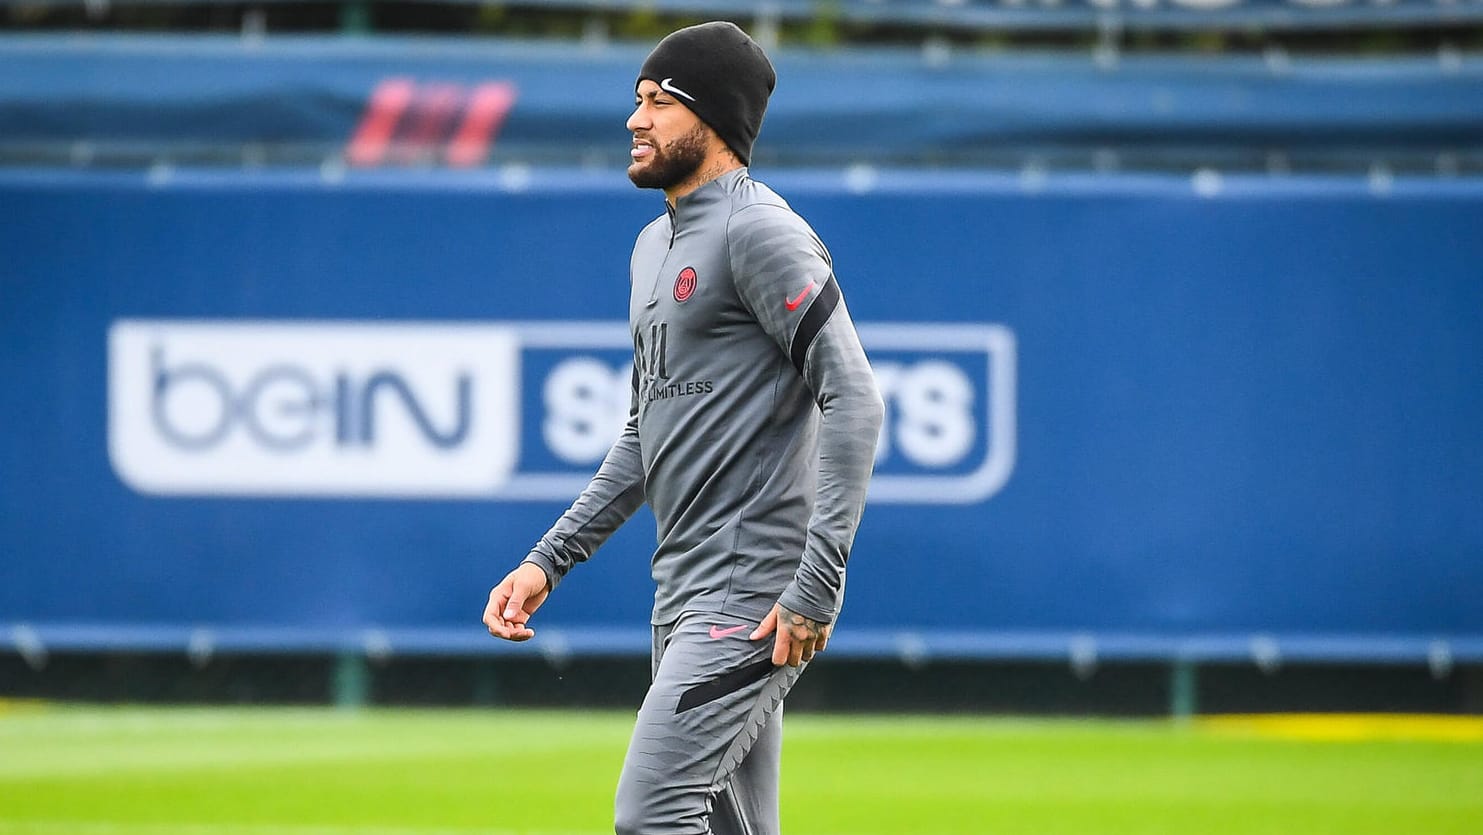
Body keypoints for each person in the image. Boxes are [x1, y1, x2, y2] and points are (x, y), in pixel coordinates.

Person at [483, 21, 884, 835]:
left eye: (661, 102)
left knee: (652, 812)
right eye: (637, 99)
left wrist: (818, 581)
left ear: (716, 120)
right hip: (680, 595)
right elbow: (644, 432)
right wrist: (547, 558)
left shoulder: (760, 231)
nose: (636, 119)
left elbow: (855, 399)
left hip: (749, 596)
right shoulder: (649, 246)